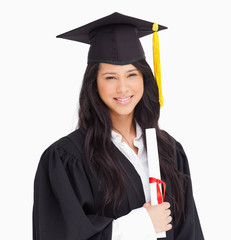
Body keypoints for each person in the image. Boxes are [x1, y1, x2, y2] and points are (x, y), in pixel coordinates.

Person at [32, 12, 204, 240]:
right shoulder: (66, 159)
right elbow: (59, 234)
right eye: (110, 77)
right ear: (94, 84)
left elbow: (189, 231)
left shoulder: (169, 150)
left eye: (131, 74)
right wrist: (142, 223)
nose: (123, 88)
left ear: (144, 79)